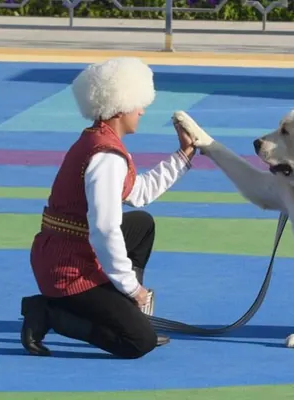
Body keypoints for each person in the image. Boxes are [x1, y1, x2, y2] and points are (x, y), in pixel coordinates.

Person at [19, 57, 195, 359]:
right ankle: (48, 313)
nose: (142, 111)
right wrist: (132, 288)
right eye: (138, 104)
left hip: (64, 248)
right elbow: (104, 229)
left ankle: (127, 310)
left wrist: (183, 155)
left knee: (141, 224)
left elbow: (138, 193)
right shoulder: (107, 157)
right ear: (120, 106)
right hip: (67, 267)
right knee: (138, 343)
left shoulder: (98, 140)